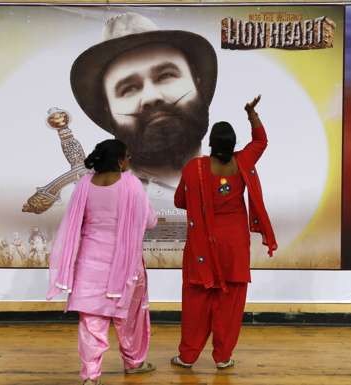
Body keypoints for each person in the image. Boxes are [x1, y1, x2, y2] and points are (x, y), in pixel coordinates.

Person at [171, 95, 278, 369]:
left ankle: (188, 356)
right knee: (230, 302)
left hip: (202, 244)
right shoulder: (242, 162)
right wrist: (251, 114)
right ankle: (223, 357)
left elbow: (179, 202)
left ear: (210, 145)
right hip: (234, 244)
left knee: (197, 300)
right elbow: (261, 142)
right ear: (233, 146)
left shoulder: (194, 169)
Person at [46, 139, 158, 385]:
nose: (129, 161)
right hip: (126, 266)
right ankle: (134, 363)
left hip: (90, 265)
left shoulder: (85, 185)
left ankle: (90, 376)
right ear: (119, 160)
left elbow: (77, 221)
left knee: (91, 324)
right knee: (129, 319)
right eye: (127, 156)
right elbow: (149, 221)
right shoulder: (132, 185)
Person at [70, 12, 217, 190]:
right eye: (128, 89)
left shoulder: (235, 181)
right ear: (108, 110)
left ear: (197, 83)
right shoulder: (100, 195)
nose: (151, 96)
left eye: (166, 75)